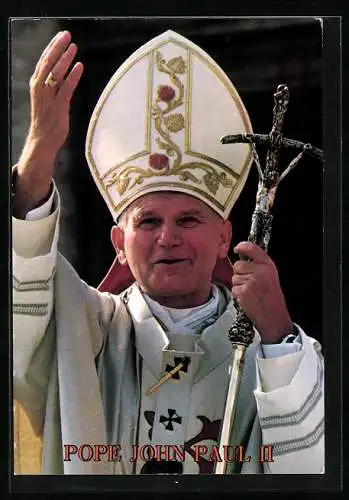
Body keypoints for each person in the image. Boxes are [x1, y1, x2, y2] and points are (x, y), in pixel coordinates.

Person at [12, 29, 324, 475]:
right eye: (149, 221)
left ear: (224, 238)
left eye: (189, 220)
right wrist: (41, 148)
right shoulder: (82, 335)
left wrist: (275, 333)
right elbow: (28, 283)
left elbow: (312, 469)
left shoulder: (275, 355)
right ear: (119, 245)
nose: (168, 238)